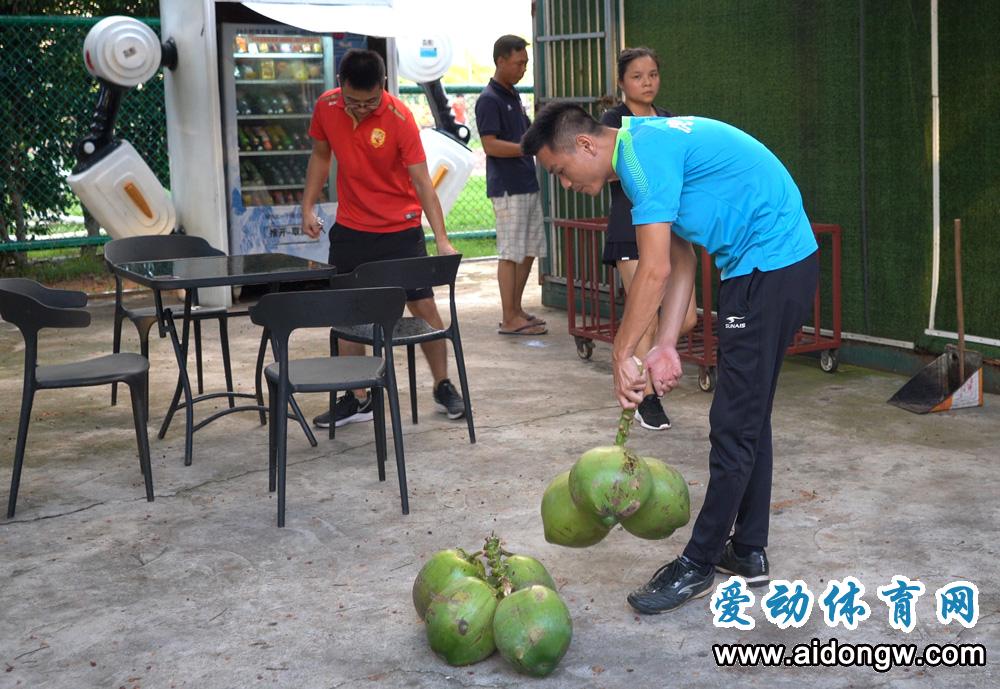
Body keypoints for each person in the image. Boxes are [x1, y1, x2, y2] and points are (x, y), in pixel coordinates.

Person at [522, 104, 819, 614]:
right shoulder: (642, 152)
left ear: (587, 146)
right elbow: (681, 258)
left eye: (561, 172)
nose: (566, 184)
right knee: (748, 418)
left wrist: (622, 351)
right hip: (771, 267)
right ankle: (747, 551)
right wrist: (662, 344)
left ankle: (697, 564)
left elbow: (653, 269)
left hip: (768, 268)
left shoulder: (640, 158)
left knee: (732, 426)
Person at [301, 48, 466, 427]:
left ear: (384, 87)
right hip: (352, 228)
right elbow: (321, 156)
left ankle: (442, 384)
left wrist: (441, 239)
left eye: (369, 101)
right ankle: (359, 397)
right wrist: (307, 206)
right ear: (340, 85)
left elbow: (422, 181)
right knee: (347, 311)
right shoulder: (327, 106)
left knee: (423, 307)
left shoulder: (399, 117)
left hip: (401, 229)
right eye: (353, 101)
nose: (360, 108)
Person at [601, 47, 696, 431]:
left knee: (685, 318)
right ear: (622, 82)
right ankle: (646, 399)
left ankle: (640, 373)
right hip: (630, 230)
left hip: (669, 232)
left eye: (653, 74)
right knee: (643, 317)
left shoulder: (669, 119)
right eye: (638, 76)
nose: (647, 82)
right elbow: (608, 169)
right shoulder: (613, 120)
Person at [475, 35, 548, 336]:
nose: (523, 69)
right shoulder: (488, 100)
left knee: (529, 249)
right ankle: (508, 317)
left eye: (526, 64)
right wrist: (526, 148)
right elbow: (490, 145)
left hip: (526, 181)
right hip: (507, 187)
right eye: (519, 63)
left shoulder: (512, 95)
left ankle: (516, 310)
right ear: (501, 61)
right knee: (510, 252)